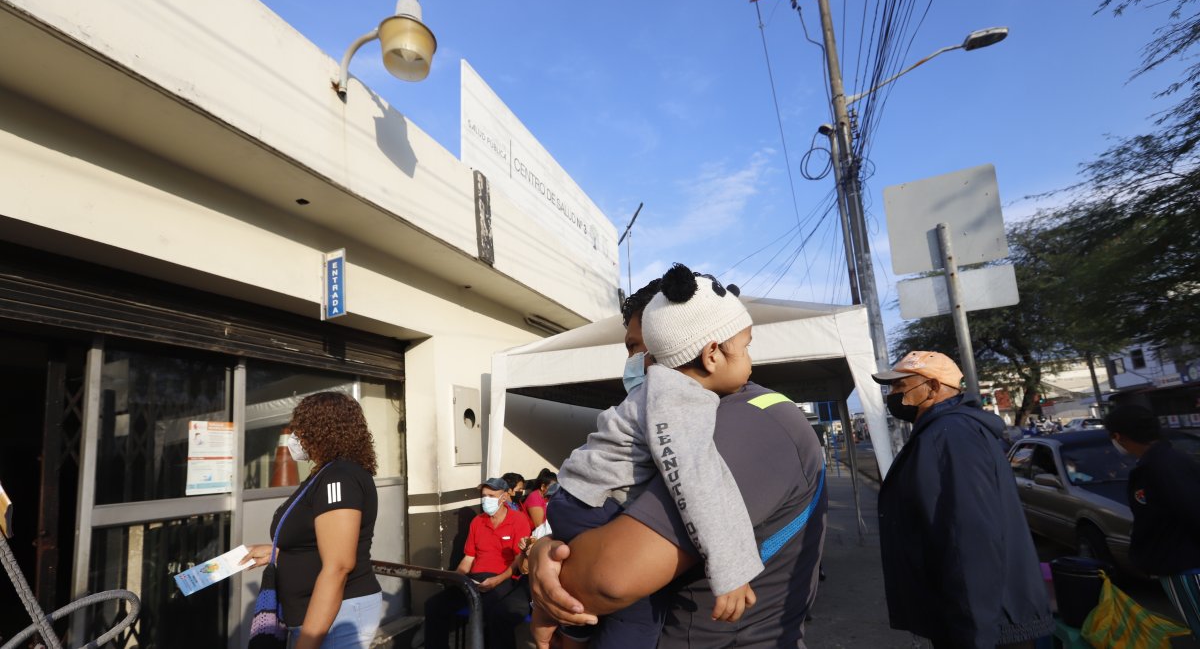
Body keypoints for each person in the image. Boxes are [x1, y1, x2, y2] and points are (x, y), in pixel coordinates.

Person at [527, 276, 827, 648]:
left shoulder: (750, 424)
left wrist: (548, 576)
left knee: (630, 623)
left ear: (706, 348)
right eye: (635, 349)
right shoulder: (681, 404)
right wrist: (542, 554)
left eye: (645, 347)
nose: (644, 362)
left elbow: (611, 577)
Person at [872, 351, 1052, 648]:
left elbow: (966, 539)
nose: (892, 395)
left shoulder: (949, 437)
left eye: (900, 386)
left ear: (932, 387)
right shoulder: (947, 431)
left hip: (985, 625)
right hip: (983, 618)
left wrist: (973, 635)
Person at [242, 392, 382, 649]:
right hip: (315, 617)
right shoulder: (327, 474)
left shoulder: (339, 477)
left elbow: (338, 566)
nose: (296, 438)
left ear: (322, 431)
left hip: (340, 616)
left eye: (302, 430)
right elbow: (318, 543)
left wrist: (306, 644)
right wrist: (279, 553)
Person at [1104, 404, 1200, 638]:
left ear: (1119, 436)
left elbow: (1192, 512)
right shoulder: (1167, 460)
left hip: (1186, 568)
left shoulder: (1159, 467)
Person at [423, 477, 532, 649]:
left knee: (492, 614)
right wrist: (456, 579)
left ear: (504, 497)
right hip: (474, 581)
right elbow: (468, 559)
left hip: (504, 579)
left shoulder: (518, 520)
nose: (485, 500)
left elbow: (519, 562)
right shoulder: (478, 522)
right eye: (483, 496)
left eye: (491, 495)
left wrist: (497, 580)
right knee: (434, 606)